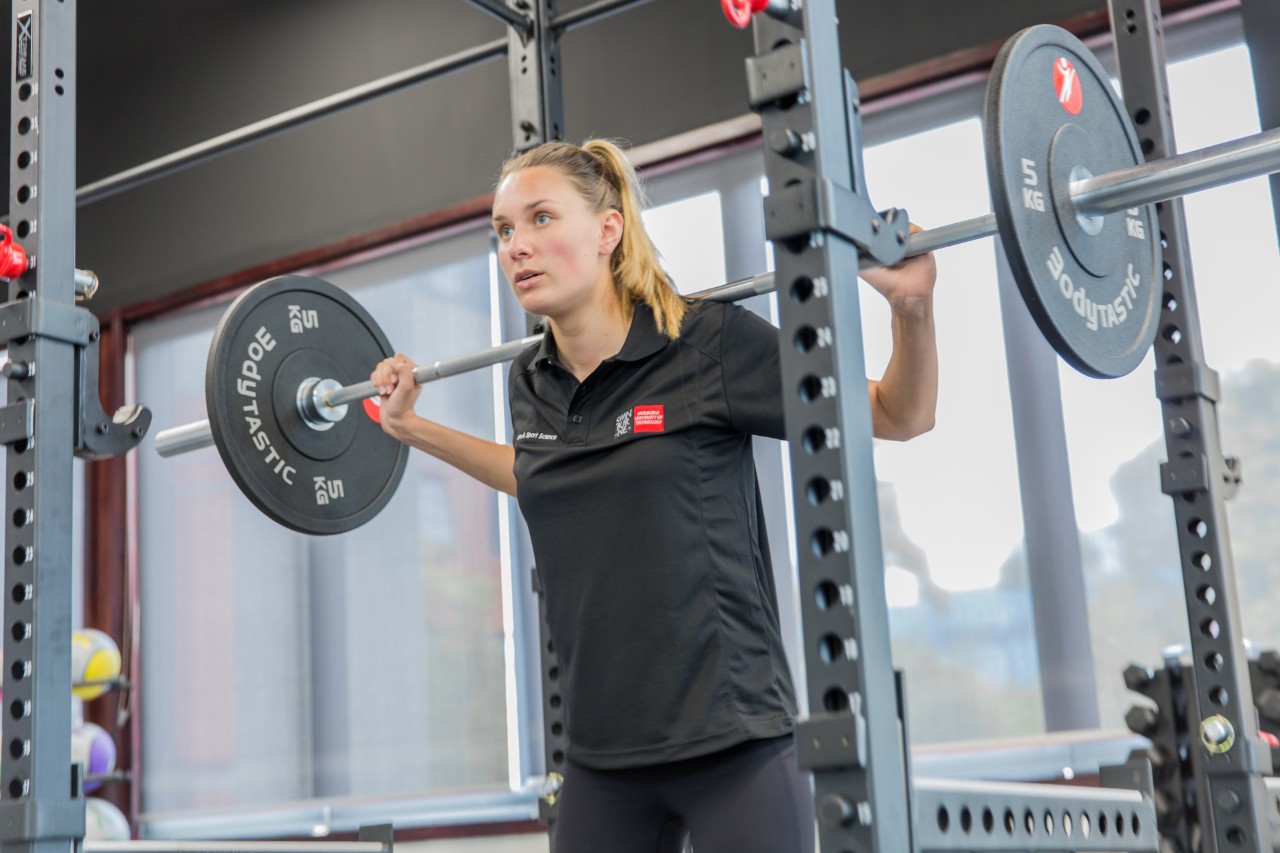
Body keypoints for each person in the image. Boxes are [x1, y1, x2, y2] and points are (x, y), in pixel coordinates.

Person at [370, 138, 937, 853]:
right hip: (602, 759)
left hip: (733, 744)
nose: (517, 245)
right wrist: (412, 426)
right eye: (504, 230)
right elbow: (544, 475)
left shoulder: (707, 344)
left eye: (541, 218)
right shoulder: (530, 381)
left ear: (608, 231)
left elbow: (898, 414)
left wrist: (911, 311)